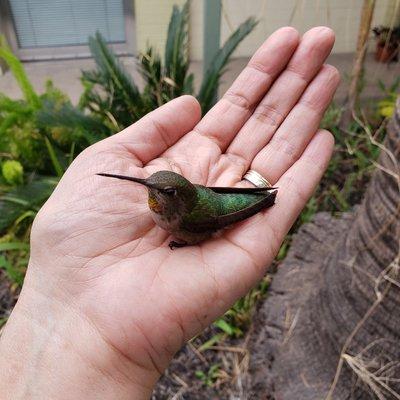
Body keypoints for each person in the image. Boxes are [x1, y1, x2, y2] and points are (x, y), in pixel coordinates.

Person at [0, 26, 339, 399]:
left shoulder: (186, 216)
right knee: (246, 196)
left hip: (215, 211)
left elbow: (218, 213)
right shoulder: (170, 205)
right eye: (151, 187)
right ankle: (260, 195)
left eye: (160, 191)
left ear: (175, 198)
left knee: (249, 201)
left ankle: (262, 197)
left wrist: (252, 201)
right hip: (210, 195)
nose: (150, 193)